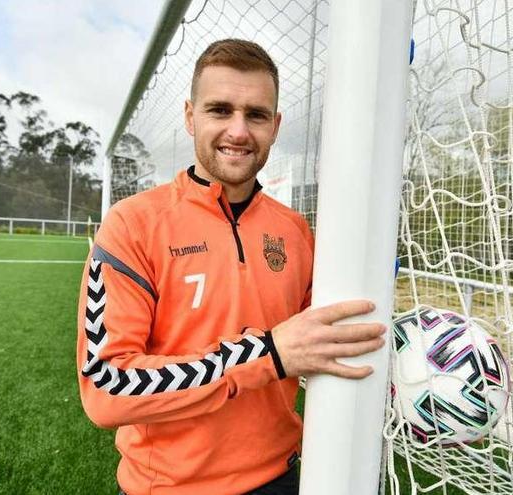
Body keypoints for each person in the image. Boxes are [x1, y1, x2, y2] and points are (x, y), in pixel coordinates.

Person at [76, 38, 385, 495]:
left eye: (256, 115)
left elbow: (328, 341)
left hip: (282, 479)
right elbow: (107, 390)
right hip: (167, 488)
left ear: (276, 125)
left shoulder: (297, 232)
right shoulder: (132, 225)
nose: (239, 131)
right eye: (220, 110)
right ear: (189, 115)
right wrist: (267, 355)